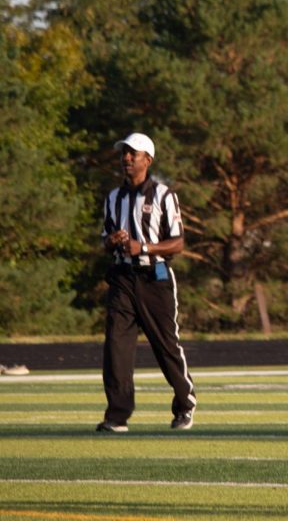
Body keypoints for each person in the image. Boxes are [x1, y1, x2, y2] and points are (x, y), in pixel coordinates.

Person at [96, 132, 195, 433]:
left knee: (166, 345)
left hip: (155, 278)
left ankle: (185, 404)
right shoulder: (113, 198)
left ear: (147, 160)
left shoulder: (164, 195)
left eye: (132, 153)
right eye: (124, 153)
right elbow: (104, 239)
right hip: (123, 278)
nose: (126, 158)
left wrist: (146, 248)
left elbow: (177, 243)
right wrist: (111, 241)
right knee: (116, 348)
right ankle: (117, 415)